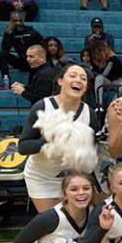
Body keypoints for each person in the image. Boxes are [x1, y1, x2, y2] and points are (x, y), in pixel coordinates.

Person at [19, 64, 98, 213]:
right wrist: (50, 141)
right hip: (42, 177)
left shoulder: (90, 114)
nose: (79, 80)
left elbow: (92, 152)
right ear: (60, 81)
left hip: (73, 179)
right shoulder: (42, 106)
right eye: (73, 75)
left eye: (83, 78)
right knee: (55, 226)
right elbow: (23, 147)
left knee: (77, 227)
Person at [0, 11, 44, 82]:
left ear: (23, 20)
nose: (18, 23)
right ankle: (6, 80)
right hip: (22, 62)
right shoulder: (11, 33)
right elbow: (5, 50)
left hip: (34, 61)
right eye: (15, 21)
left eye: (20, 20)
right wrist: (7, 34)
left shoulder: (32, 31)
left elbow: (43, 44)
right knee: (1, 54)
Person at [86, 40, 122, 110]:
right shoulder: (95, 61)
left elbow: (105, 73)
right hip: (107, 82)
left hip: (117, 81)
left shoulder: (113, 60)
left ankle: (114, 107)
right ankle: (99, 105)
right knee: (99, 78)